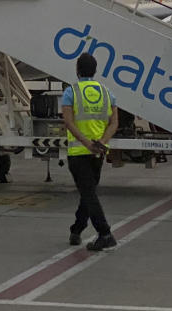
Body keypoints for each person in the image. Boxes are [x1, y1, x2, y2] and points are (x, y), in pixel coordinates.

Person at [62, 52, 119, 251]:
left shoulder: (71, 92)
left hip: (79, 153)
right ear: (95, 71)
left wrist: (86, 143)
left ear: (77, 70)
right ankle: (77, 229)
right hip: (98, 153)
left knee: (89, 194)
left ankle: (105, 234)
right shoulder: (107, 92)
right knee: (89, 193)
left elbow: (68, 122)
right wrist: (102, 142)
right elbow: (114, 123)